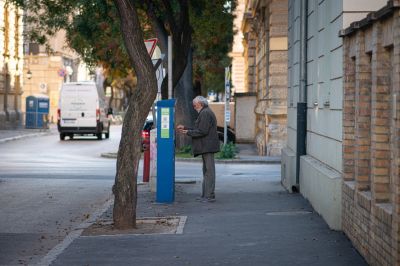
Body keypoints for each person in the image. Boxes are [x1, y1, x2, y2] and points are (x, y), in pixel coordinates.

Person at [177, 96, 220, 202]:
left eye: (194, 104)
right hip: (206, 146)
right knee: (206, 171)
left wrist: (188, 132)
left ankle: (209, 196)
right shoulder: (205, 112)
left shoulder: (205, 113)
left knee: (209, 171)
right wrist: (186, 128)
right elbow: (200, 129)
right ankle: (206, 195)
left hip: (207, 146)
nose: (193, 106)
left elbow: (202, 131)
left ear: (200, 103)